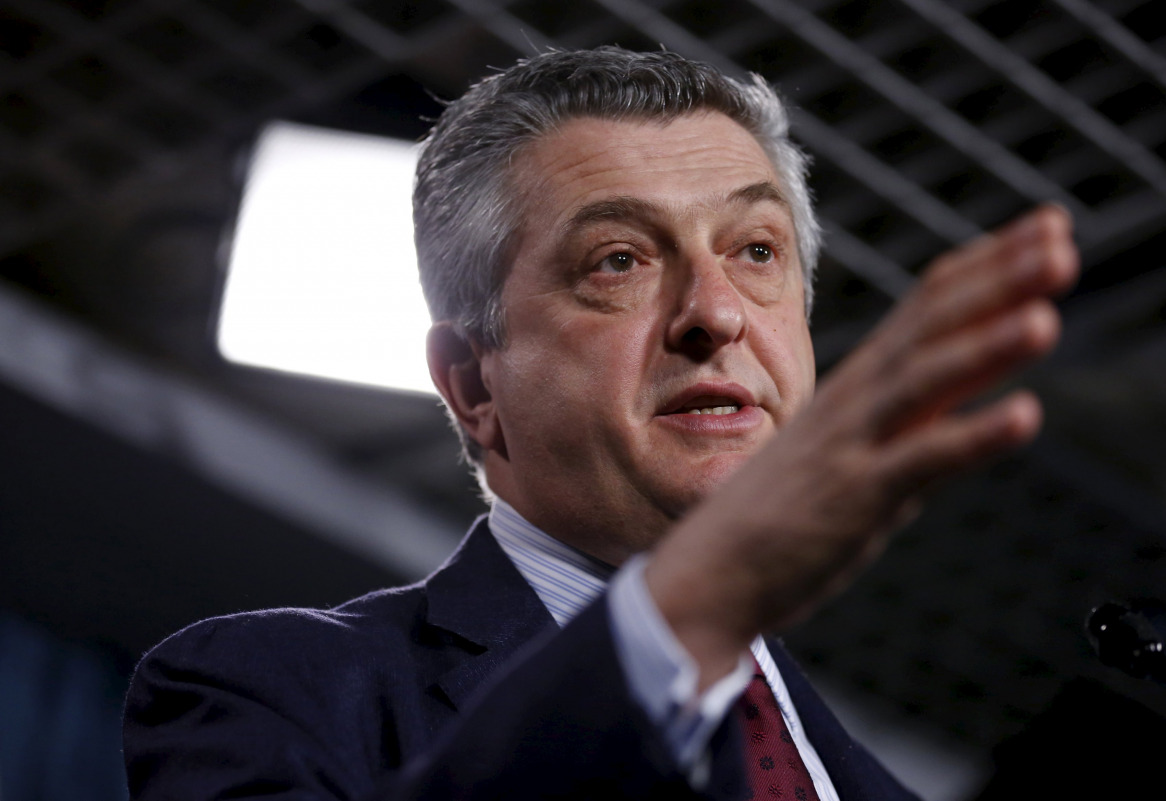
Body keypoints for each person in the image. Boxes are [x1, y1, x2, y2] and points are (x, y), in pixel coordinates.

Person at [123, 47, 1078, 800]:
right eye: (619, 259)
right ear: (472, 383)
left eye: (755, 249)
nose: (717, 311)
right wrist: (688, 609)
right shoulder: (272, 695)